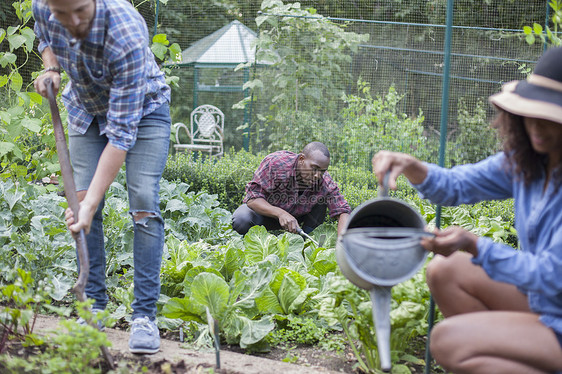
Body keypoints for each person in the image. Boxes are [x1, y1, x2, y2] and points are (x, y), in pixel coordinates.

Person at [372, 46, 562, 374]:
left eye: (550, 116)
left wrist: (474, 244)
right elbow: (456, 186)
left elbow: (550, 275)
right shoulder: (527, 163)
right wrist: (411, 165)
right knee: (446, 271)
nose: (536, 126)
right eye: (531, 112)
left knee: (449, 342)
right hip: (546, 305)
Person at [33, 0, 171, 354]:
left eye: (81, 10)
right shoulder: (43, 6)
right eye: (63, 14)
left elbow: (122, 135)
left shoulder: (125, 32)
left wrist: (91, 203)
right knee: (80, 200)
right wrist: (51, 67)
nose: (73, 21)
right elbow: (43, 32)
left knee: (142, 200)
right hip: (84, 110)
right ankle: (92, 305)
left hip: (143, 112)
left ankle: (144, 316)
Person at [232, 142, 351, 238]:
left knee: (322, 199)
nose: (317, 175)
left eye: (322, 171)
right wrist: (280, 213)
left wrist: (343, 242)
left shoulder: (324, 180)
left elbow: (343, 211)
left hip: (298, 221)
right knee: (242, 219)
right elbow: (252, 199)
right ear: (301, 159)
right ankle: (250, 242)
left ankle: (306, 242)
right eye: (314, 168)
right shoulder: (276, 164)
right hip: (266, 215)